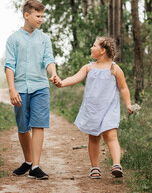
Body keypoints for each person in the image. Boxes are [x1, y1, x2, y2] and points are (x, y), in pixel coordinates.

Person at [51, 36, 133, 179]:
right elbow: (75, 78)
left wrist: (128, 104)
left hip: (110, 108)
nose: (91, 48)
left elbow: (124, 88)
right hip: (93, 109)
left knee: (111, 136)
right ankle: (95, 167)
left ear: (102, 50)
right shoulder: (88, 67)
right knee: (94, 137)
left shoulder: (115, 69)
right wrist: (61, 83)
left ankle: (116, 165)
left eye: (94, 46)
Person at [4, 0, 59, 180]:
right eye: (38, 16)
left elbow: (48, 60)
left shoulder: (44, 39)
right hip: (20, 88)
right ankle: (28, 161)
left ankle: (35, 166)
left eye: (42, 16)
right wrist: (12, 89)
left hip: (40, 87)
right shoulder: (13, 39)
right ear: (26, 15)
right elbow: (9, 65)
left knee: (38, 124)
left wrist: (53, 73)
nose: (41, 19)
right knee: (22, 127)